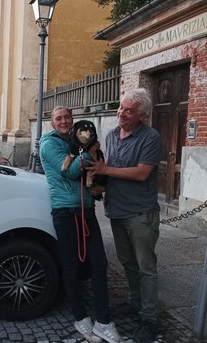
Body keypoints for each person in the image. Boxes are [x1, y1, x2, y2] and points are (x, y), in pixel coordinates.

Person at [39, 106, 123, 343]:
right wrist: (91, 150)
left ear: (72, 120)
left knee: (99, 263)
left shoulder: (72, 142)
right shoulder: (50, 144)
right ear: (52, 122)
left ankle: (104, 322)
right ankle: (80, 317)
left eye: (67, 117)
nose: (63, 121)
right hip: (65, 211)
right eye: (58, 118)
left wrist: (89, 151)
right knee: (71, 265)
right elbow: (72, 172)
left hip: (86, 210)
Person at [88, 88, 162, 343]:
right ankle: (135, 303)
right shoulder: (111, 135)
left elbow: (142, 173)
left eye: (129, 111)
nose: (121, 113)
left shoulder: (150, 137)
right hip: (117, 211)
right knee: (128, 264)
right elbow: (110, 172)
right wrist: (99, 185)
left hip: (141, 214)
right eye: (121, 107)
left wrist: (106, 170)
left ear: (142, 115)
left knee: (146, 268)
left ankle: (150, 319)